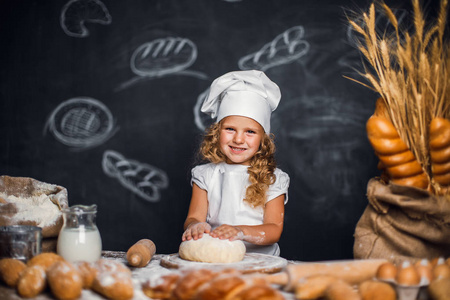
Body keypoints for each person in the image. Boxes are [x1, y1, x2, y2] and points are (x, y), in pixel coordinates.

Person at [182, 70, 290, 256]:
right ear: (217, 132)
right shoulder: (205, 175)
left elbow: (273, 229)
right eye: (230, 129)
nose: (239, 140)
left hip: (261, 262)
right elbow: (193, 217)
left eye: (250, 132)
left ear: (263, 139)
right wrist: (195, 226)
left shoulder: (273, 179)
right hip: (218, 258)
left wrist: (241, 232)